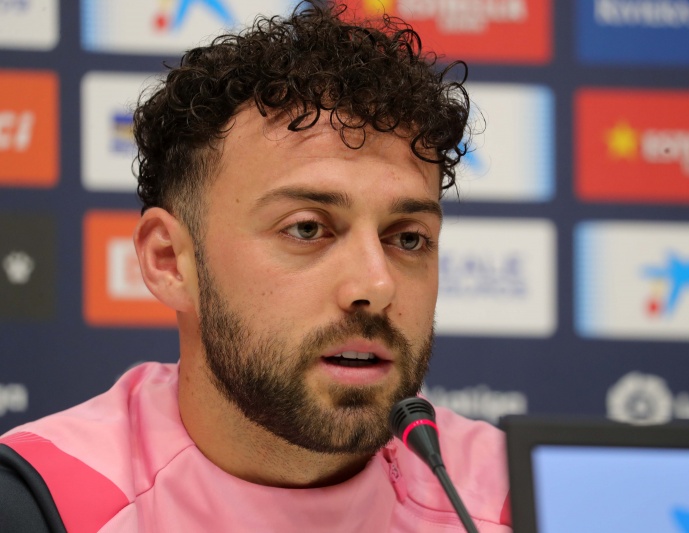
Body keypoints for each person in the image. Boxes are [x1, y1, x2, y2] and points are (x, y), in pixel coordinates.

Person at [0, 3, 510, 531]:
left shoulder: (518, 496)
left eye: (408, 238)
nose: (376, 284)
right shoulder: (42, 503)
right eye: (306, 228)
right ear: (169, 261)